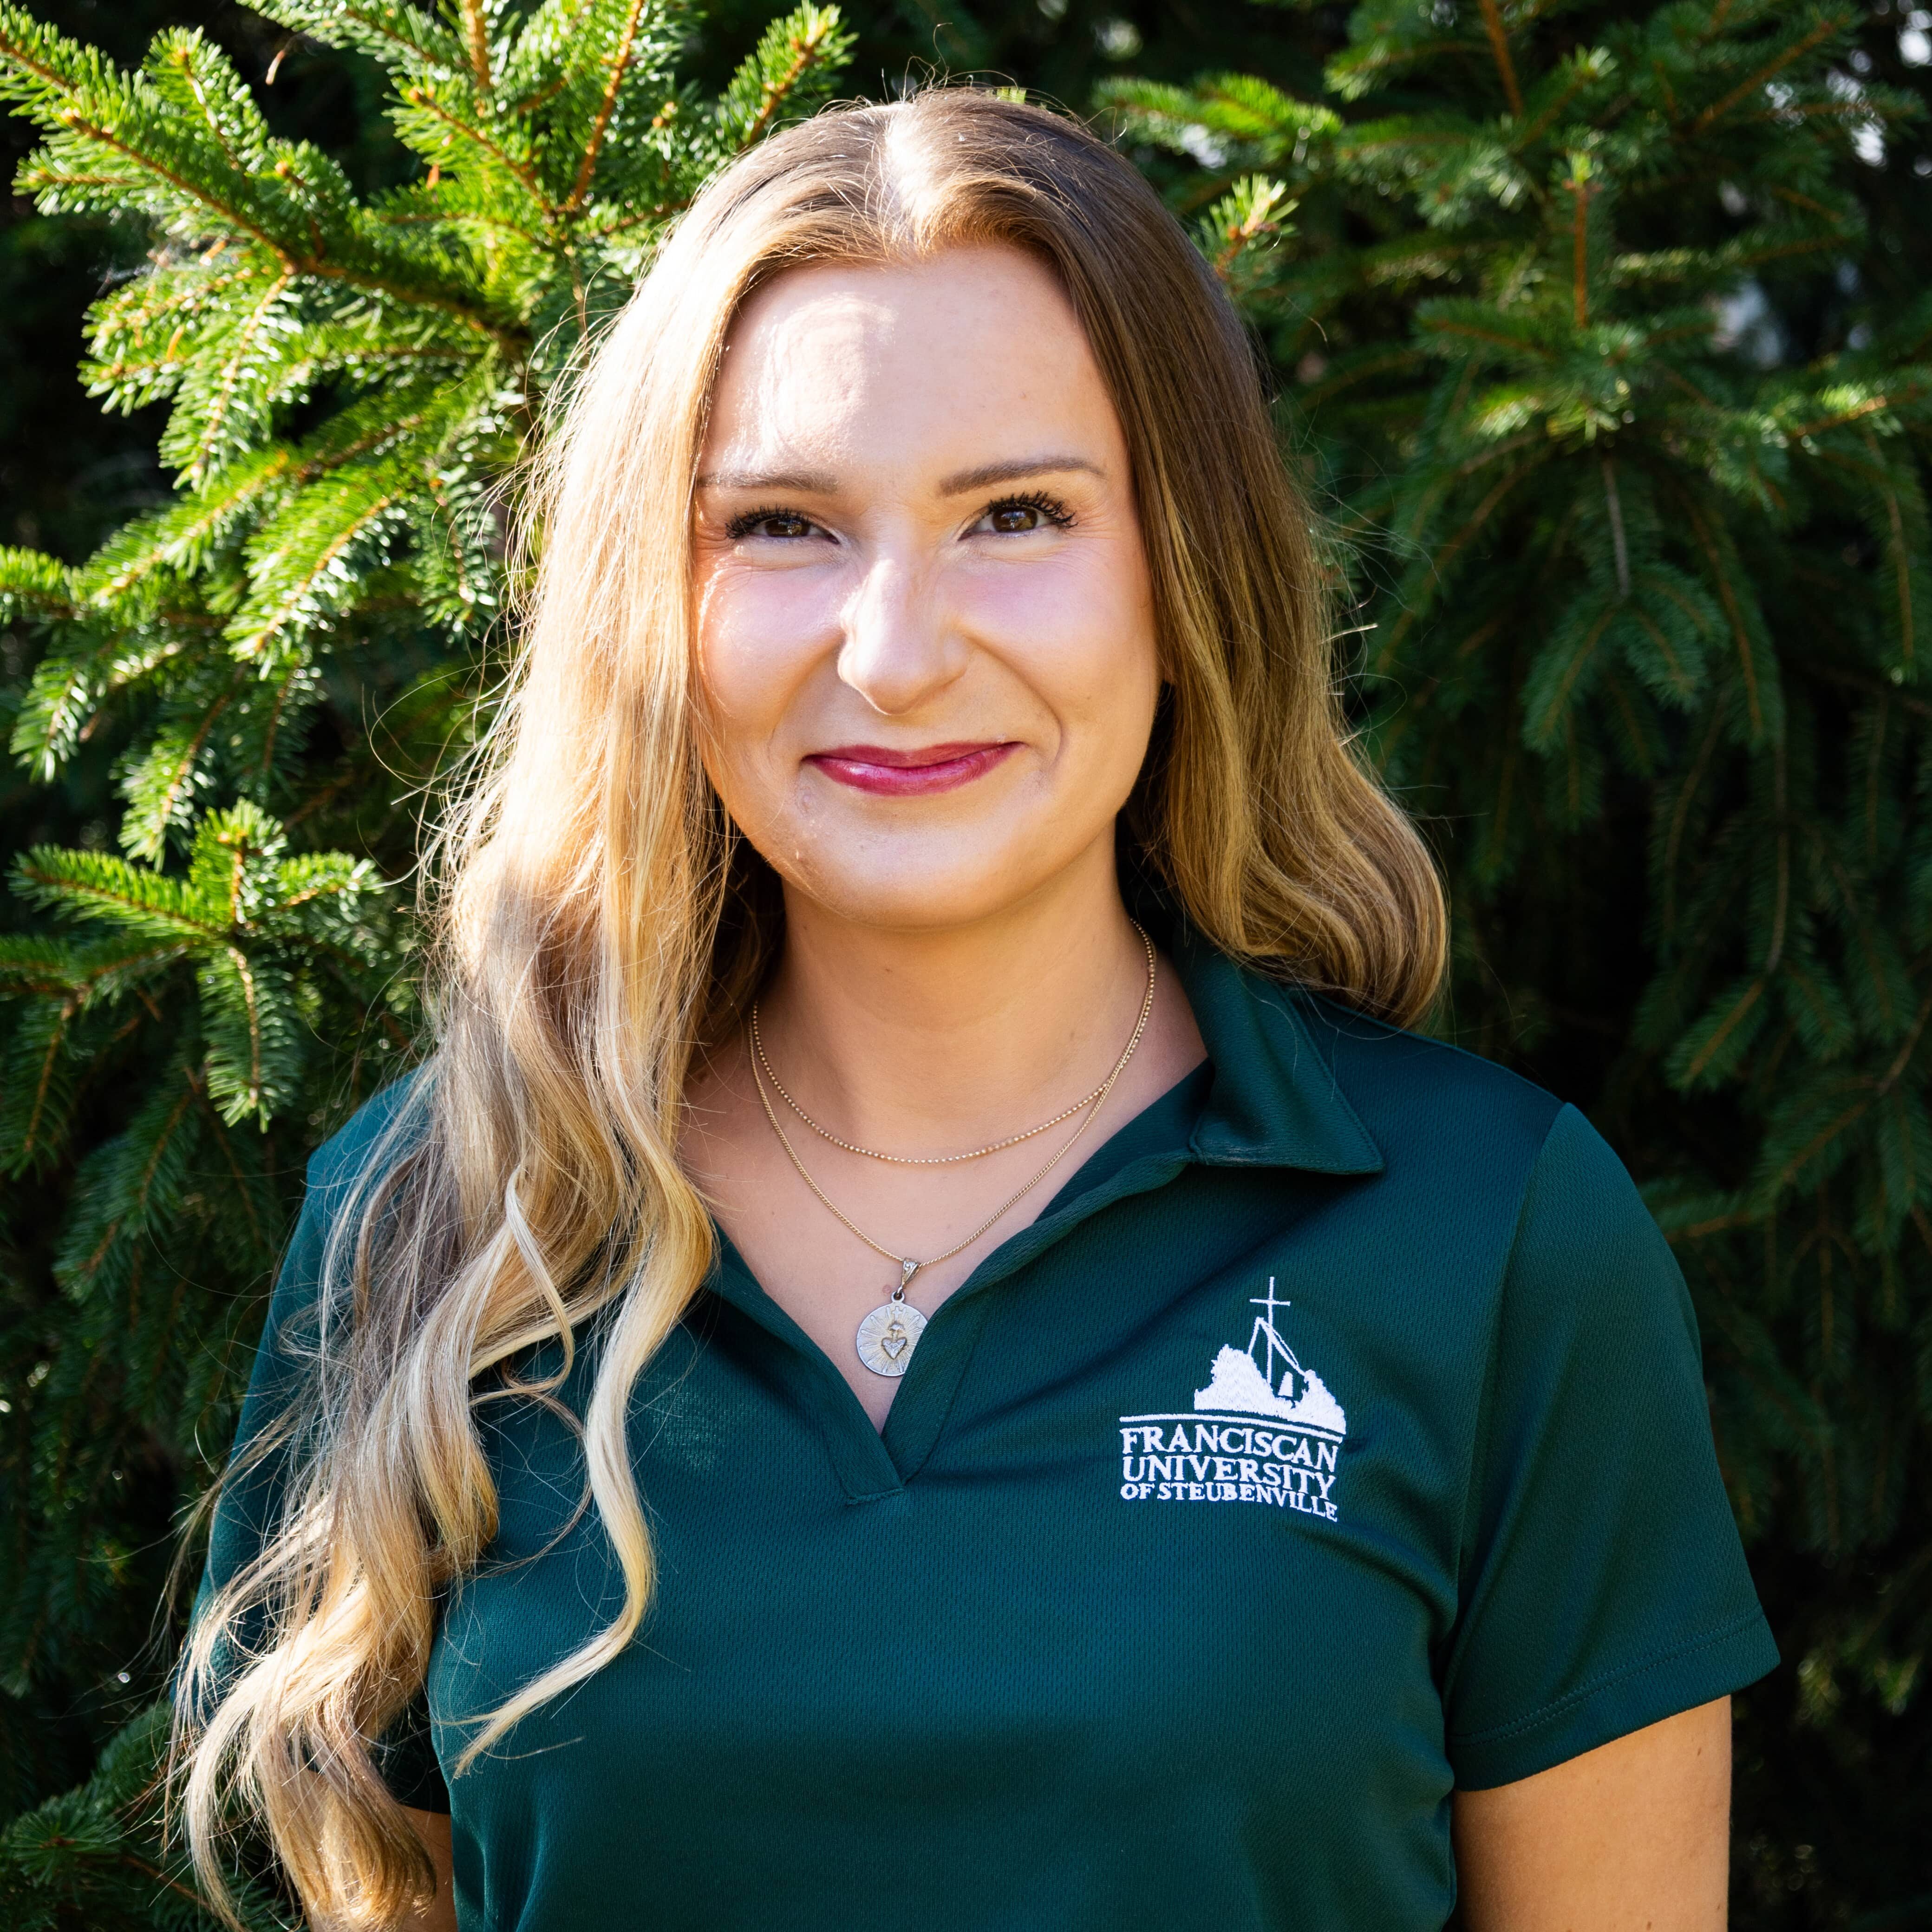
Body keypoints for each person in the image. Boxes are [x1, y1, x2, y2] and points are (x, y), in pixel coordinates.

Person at [177, 87, 1777, 1932]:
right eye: (780, 526)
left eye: (1013, 513)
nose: (896, 647)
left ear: (1181, 573)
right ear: (653, 605)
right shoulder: (446, 1214)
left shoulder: (1486, 1233)